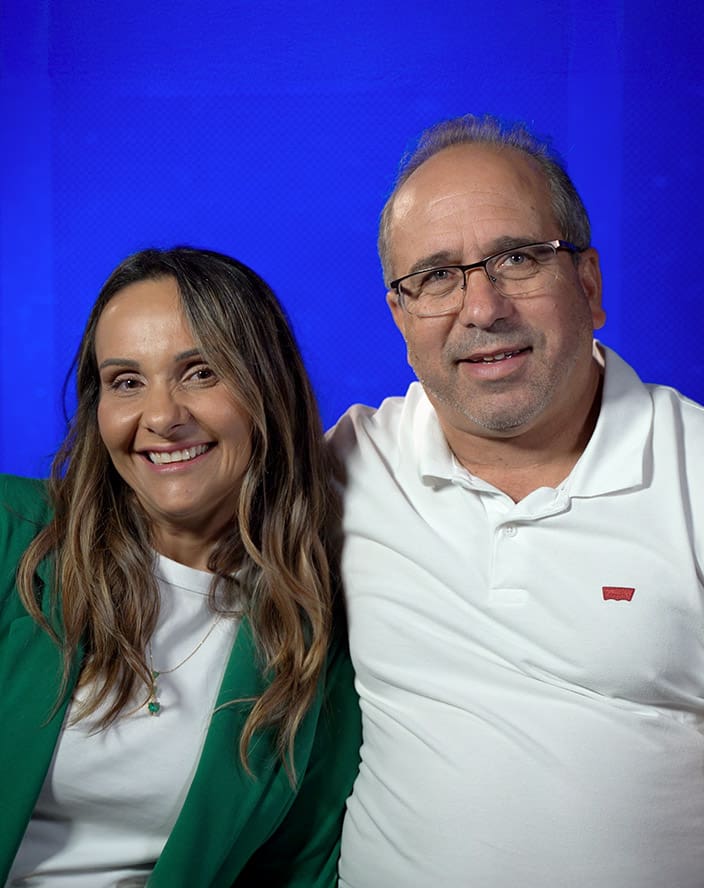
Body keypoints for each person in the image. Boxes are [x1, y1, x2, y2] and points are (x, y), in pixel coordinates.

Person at [330, 114, 704, 887]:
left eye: (518, 258)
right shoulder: (350, 467)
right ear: (400, 317)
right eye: (435, 276)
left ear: (589, 285)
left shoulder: (693, 472)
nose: (482, 308)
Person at [0, 247, 360, 887]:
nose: (162, 418)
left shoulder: (320, 629)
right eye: (126, 382)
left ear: (265, 390)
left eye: (200, 372)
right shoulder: (11, 537)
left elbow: (298, 870)